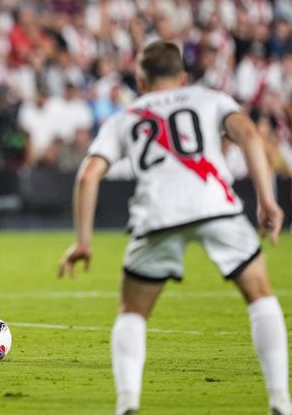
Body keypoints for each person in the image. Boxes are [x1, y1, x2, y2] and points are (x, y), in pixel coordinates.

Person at [59, 40, 290, 415]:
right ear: (182, 76)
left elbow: (88, 175)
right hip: (216, 206)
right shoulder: (210, 98)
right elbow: (248, 134)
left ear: (141, 80)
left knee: (132, 311)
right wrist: (267, 200)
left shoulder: (125, 116)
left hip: (157, 216)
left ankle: (127, 403)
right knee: (260, 295)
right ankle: (280, 401)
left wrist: (82, 241)